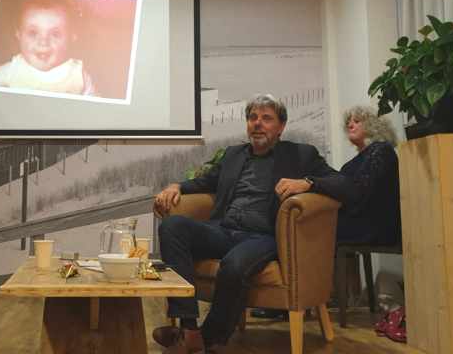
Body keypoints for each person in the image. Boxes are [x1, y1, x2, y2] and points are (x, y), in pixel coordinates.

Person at [152, 94, 353, 354]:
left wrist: (307, 183)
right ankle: (188, 328)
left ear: (281, 126)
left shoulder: (300, 155)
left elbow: (345, 185)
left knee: (234, 265)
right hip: (223, 231)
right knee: (172, 226)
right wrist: (176, 186)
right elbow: (205, 182)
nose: (257, 123)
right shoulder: (233, 155)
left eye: (266, 118)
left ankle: (210, 337)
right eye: (253, 117)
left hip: (263, 236)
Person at [0, 0, 97, 96]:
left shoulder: (79, 75)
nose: (43, 42)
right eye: (33, 33)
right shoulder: (10, 72)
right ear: (19, 35)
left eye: (55, 34)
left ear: (72, 37)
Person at [337, 105, 401, 245]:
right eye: (348, 122)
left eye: (356, 121)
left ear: (372, 125)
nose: (350, 125)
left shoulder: (381, 150)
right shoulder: (350, 164)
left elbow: (359, 193)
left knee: (320, 227)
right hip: (359, 221)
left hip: (377, 226)